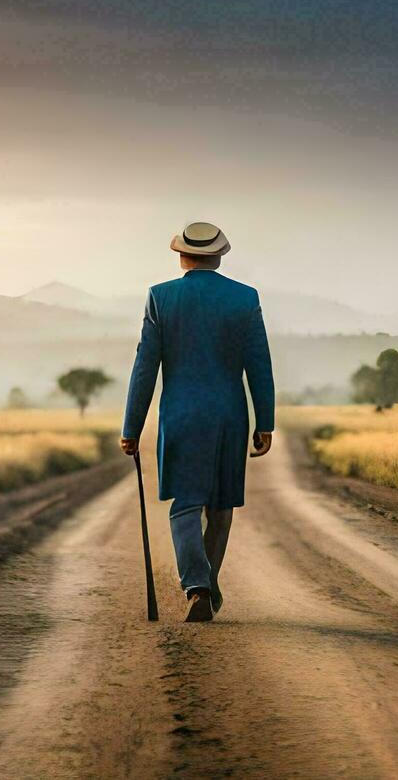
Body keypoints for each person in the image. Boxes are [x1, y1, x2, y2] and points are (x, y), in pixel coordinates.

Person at [121, 222, 275, 622]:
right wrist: (266, 422)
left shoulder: (161, 297)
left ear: (181, 255)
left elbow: (145, 368)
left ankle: (198, 586)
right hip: (230, 416)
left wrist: (131, 428)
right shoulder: (245, 299)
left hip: (182, 416)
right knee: (221, 505)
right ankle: (205, 583)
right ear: (219, 256)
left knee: (186, 506)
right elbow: (259, 364)